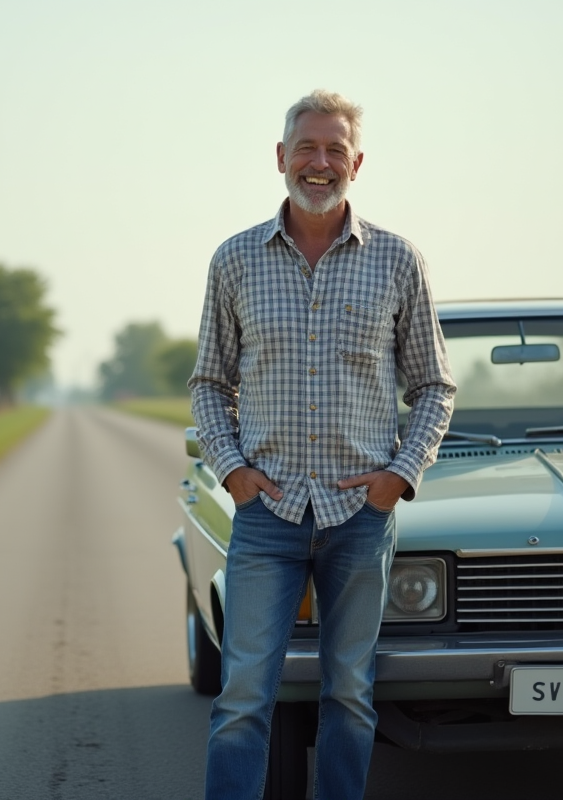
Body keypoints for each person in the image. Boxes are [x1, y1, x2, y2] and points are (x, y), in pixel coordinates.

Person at [189, 89, 456, 800]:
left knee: (350, 695)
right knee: (243, 698)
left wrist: (397, 477)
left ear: (357, 164)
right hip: (265, 516)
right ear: (280, 157)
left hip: (359, 521)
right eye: (306, 147)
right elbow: (209, 383)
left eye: (335, 149)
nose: (319, 162)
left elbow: (435, 385)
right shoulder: (235, 260)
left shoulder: (399, 261)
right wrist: (235, 471)